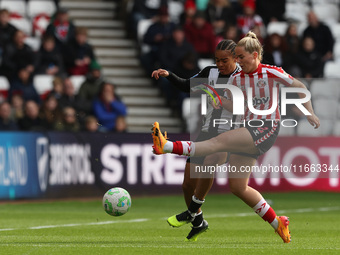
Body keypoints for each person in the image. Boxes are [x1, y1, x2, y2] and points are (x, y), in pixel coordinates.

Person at [151, 31, 320, 243]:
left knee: (215, 145)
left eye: (240, 57)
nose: (238, 62)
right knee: (238, 188)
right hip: (248, 129)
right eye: (237, 57)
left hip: (264, 128)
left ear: (255, 55)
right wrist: (220, 102)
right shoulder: (238, 79)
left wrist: (309, 112)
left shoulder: (271, 71)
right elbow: (236, 106)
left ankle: (166, 146)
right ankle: (278, 223)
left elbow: (300, 87)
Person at [151, 39, 241, 241]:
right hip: (207, 132)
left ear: (236, 58)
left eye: (224, 60)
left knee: (209, 162)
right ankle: (199, 222)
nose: (219, 64)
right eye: (217, 60)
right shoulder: (210, 72)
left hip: (230, 136)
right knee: (187, 185)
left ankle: (191, 212)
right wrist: (169, 75)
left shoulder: (244, 77)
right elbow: (187, 86)